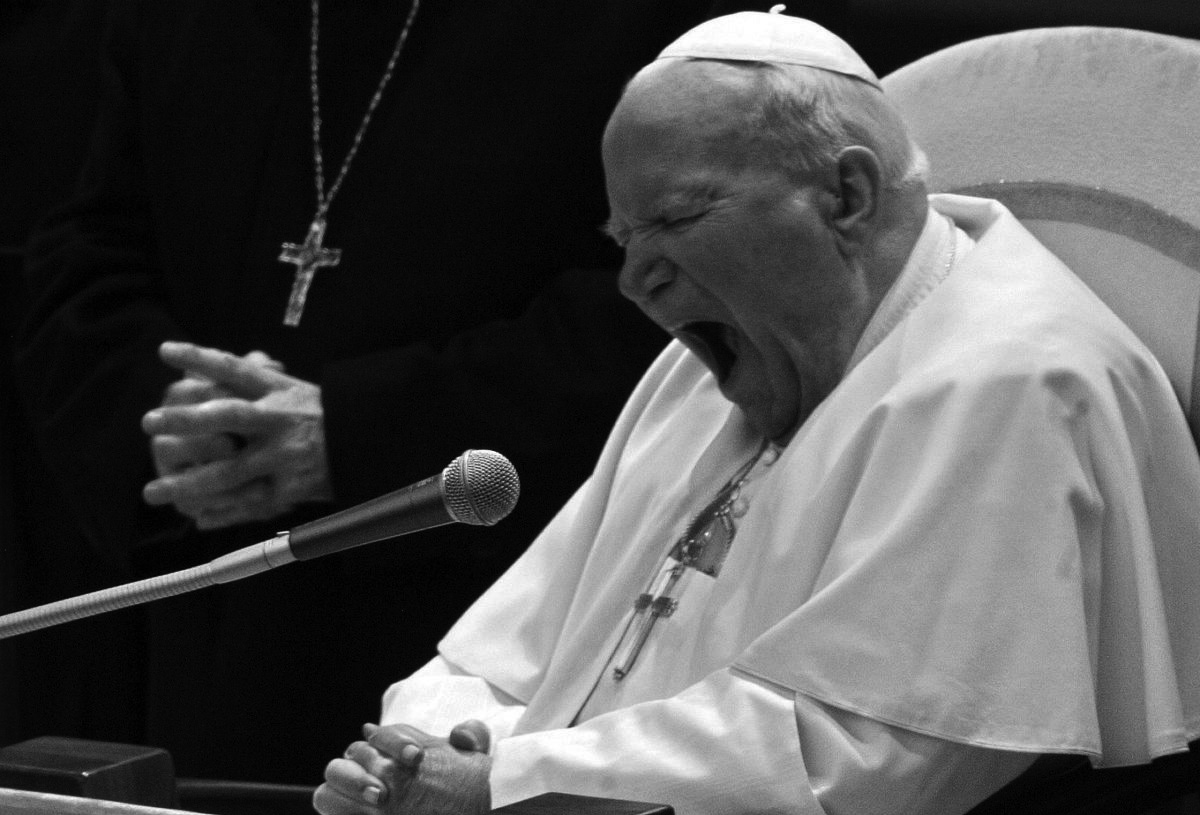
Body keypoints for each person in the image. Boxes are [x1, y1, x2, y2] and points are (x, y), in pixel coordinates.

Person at [312, 10, 1200, 815]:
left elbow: (865, 756)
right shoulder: (706, 367)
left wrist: (502, 783)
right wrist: (420, 748)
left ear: (846, 197)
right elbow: (506, 656)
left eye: (677, 219)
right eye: (624, 241)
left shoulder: (1012, 384)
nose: (636, 282)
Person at [11, 0, 731, 783]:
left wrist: (354, 429)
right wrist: (178, 416)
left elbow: (663, 292)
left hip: (480, 591)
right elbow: (88, 248)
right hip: (214, 598)